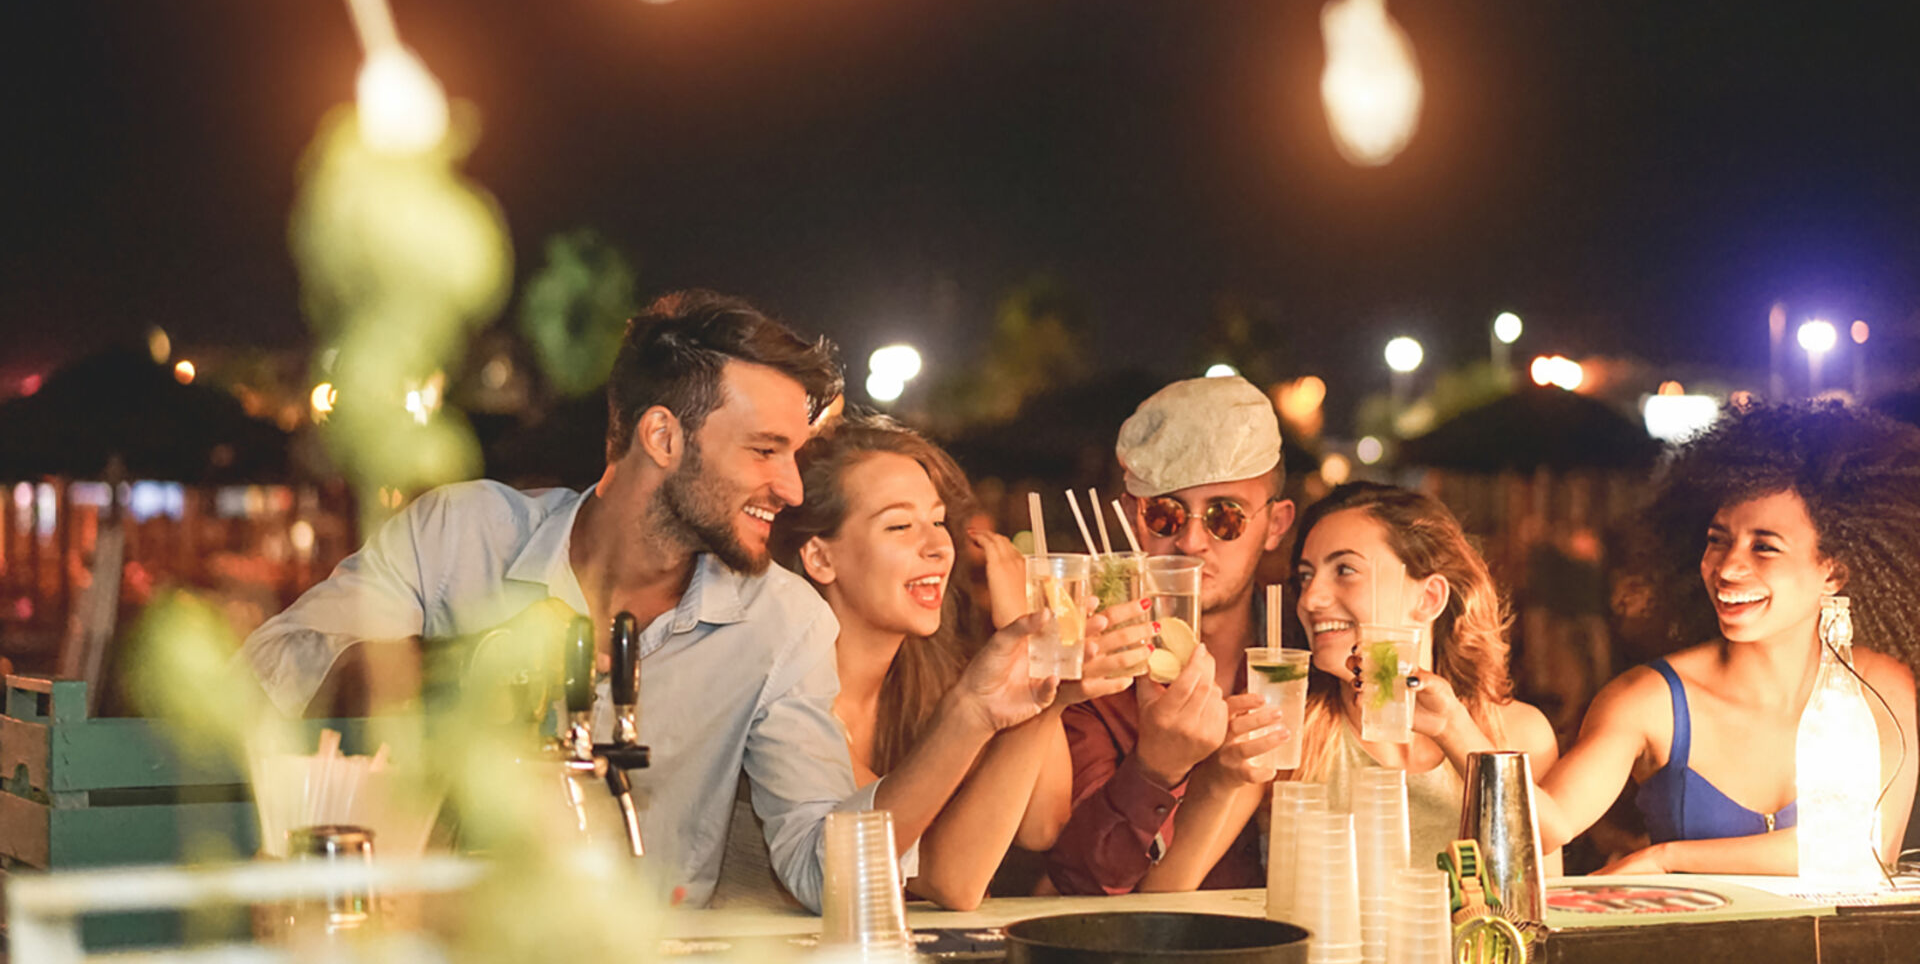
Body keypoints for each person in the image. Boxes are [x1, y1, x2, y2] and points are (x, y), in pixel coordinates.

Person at [240, 291, 1037, 911]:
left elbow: (822, 869)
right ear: (663, 438)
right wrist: (453, 671)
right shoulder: (461, 537)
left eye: (794, 455)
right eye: (766, 451)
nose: (792, 489)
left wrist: (970, 712)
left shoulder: (782, 622)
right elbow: (268, 674)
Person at [765, 414, 1148, 908]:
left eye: (939, 521)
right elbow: (948, 877)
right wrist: (990, 702)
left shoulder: (929, 680)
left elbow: (1040, 825)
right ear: (820, 558)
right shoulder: (785, 699)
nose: (937, 547)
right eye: (899, 526)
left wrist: (1044, 679)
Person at [1534, 399, 1920, 874]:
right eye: (1718, 539)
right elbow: (1550, 825)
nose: (1728, 568)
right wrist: (1458, 722)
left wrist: (1668, 858)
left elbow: (1865, 851)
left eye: (1765, 547)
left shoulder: (1880, 688)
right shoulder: (1649, 701)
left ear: (1833, 573)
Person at [1045, 375, 1296, 894]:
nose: (1192, 540)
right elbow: (1079, 884)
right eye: (1165, 514)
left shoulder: (1305, 652)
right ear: (1134, 520)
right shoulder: (1093, 671)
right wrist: (1154, 771)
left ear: (1275, 524)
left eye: (1226, 517)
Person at [1288, 481, 1559, 866]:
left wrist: (1453, 729)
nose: (1310, 599)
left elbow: (1541, 876)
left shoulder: (1519, 734)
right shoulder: (1288, 736)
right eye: (1305, 576)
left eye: (1345, 570)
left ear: (1429, 598)